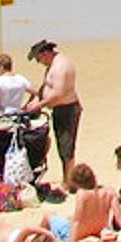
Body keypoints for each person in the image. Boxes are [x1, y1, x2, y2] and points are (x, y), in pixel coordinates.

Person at [0, 163, 116, 242]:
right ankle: (38, 238)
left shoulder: (83, 195)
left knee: (48, 215)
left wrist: (69, 241)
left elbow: (78, 222)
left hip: (75, 235)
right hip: (96, 228)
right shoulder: (108, 191)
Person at [27, 39, 82, 190]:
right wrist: (36, 100)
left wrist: (39, 105)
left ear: (45, 53)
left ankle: (70, 182)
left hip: (67, 108)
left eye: (39, 59)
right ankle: (67, 179)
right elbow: (46, 86)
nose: (39, 62)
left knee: (67, 146)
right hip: (59, 109)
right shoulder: (52, 64)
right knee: (61, 146)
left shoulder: (60, 66)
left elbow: (58, 93)